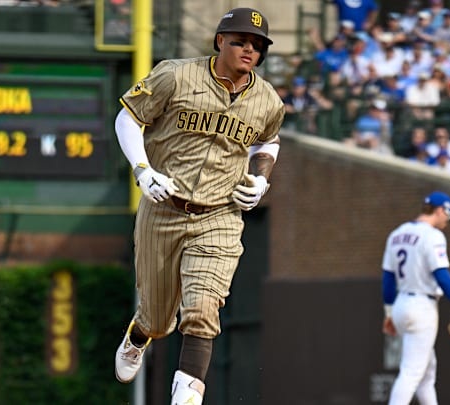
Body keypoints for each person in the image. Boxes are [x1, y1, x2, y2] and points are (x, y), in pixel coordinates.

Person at [112, 8, 284, 405]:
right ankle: (139, 334)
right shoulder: (175, 74)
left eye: (257, 45)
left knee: (203, 308)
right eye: (240, 40)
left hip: (220, 215)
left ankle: (186, 395)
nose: (249, 49)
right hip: (163, 208)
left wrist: (260, 179)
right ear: (220, 40)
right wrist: (142, 170)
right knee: (158, 319)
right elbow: (128, 118)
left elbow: (267, 141)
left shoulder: (267, 99)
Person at [381, 191, 450, 405]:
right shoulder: (432, 236)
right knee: (411, 373)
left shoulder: (396, 234)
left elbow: (388, 279)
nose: (447, 223)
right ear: (441, 210)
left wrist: (389, 313)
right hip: (421, 306)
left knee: (426, 371)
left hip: (400, 304)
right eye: (448, 217)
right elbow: (441, 274)